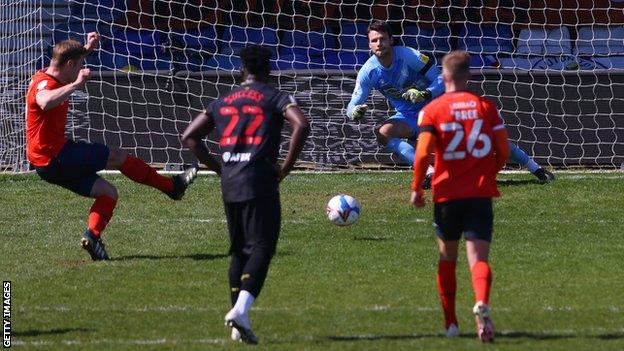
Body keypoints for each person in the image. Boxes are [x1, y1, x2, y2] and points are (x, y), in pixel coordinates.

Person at [25, 33, 197, 261]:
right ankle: (171, 187)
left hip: (48, 163)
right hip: (55, 156)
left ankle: (92, 238)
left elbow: (69, 62)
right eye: (79, 65)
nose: (80, 70)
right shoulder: (45, 84)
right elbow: (45, 101)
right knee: (116, 156)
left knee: (108, 193)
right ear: (69, 65)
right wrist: (77, 84)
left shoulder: (51, 72)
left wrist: (87, 48)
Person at [181, 45, 310, 344]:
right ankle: (240, 310)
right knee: (263, 246)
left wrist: (218, 168)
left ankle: (238, 325)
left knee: (239, 250)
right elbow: (301, 124)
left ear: (241, 70)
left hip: (231, 182)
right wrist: (286, 168)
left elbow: (189, 137)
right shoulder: (275, 96)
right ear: (268, 72)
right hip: (259, 178)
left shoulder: (222, 100)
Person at [347, 20, 554, 185]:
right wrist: (354, 111)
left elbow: (441, 78)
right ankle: (430, 172)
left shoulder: (409, 55)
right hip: (410, 118)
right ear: (369, 44)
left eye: (382, 39)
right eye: (374, 40)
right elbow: (352, 104)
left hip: (441, 108)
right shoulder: (369, 71)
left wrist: (425, 94)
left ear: (391, 40)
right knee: (383, 132)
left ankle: (535, 167)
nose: (379, 44)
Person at [410, 50, 510, 343]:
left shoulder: (433, 109)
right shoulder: (485, 107)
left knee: (447, 258)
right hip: (479, 193)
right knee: (478, 258)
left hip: (447, 195)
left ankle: (451, 323)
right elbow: (503, 150)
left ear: (443, 77)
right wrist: (491, 172)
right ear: (468, 76)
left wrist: (416, 188)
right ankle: (481, 303)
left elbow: (422, 154)